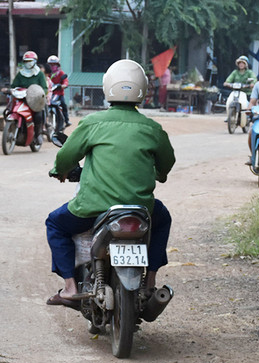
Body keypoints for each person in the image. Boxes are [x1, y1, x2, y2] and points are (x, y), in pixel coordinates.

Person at [45, 59, 175, 316]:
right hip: (140, 211)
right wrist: (159, 174)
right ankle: (149, 282)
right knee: (163, 218)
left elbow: (66, 156)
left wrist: (59, 171)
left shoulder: (93, 123)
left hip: (93, 208)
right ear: (144, 90)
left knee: (55, 224)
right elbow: (166, 163)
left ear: (107, 88)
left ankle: (70, 288)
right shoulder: (152, 129)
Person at [10, 51, 47, 145]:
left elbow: (45, 88)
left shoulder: (39, 74)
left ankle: (38, 134)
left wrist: (41, 94)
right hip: (22, 99)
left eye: (30, 61)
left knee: (38, 115)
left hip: (35, 101)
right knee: (11, 109)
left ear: (35, 61)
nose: (28, 63)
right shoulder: (20, 74)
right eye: (26, 61)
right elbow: (14, 85)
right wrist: (9, 89)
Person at [222, 55, 255, 122]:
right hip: (236, 92)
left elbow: (254, 79)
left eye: (243, 63)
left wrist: (252, 84)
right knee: (229, 101)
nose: (241, 64)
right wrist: (227, 83)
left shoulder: (249, 72)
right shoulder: (235, 72)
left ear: (246, 64)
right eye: (240, 63)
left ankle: (248, 116)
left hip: (246, 92)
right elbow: (228, 80)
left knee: (249, 104)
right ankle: (229, 115)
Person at [46, 55, 70, 127]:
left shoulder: (61, 73)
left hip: (59, 94)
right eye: (50, 64)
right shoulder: (47, 74)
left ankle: (66, 120)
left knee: (64, 104)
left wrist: (63, 86)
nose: (52, 66)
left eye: (54, 64)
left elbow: (65, 82)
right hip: (48, 94)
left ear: (58, 65)